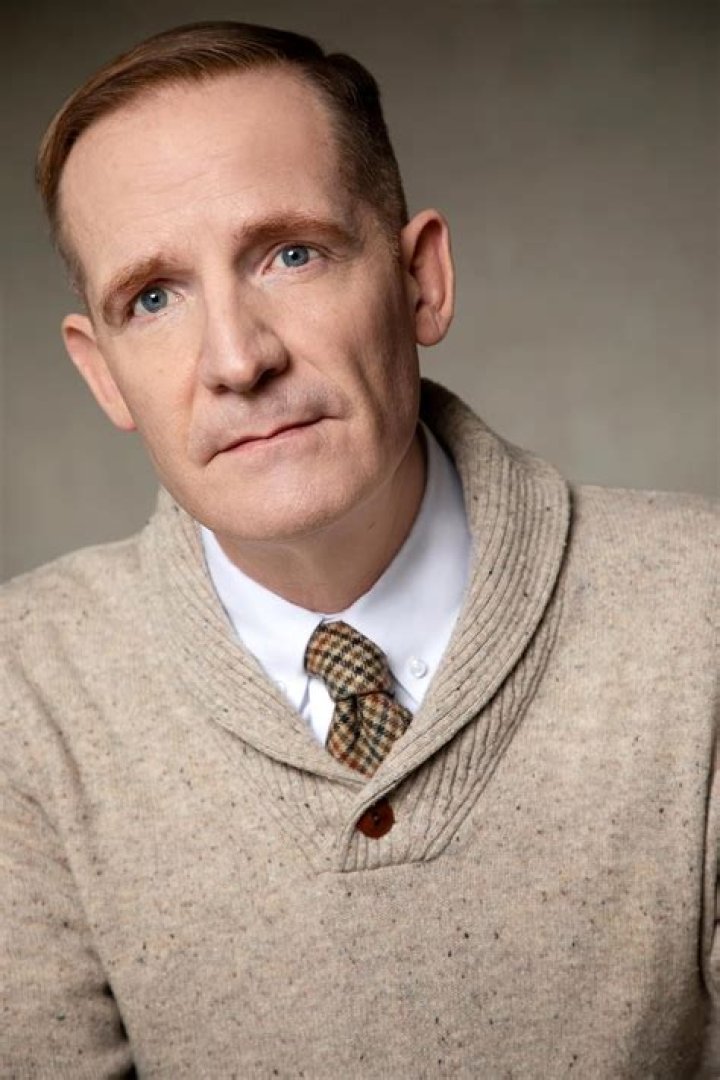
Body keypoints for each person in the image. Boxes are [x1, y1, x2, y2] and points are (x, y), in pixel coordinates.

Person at [1, 20, 717, 1079]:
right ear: (103, 373)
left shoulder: (701, 611)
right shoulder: (22, 696)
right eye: (153, 298)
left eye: (291, 254)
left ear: (421, 279)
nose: (237, 359)